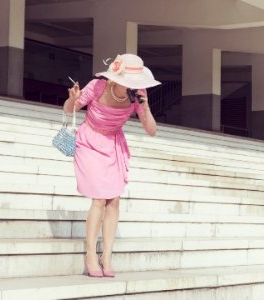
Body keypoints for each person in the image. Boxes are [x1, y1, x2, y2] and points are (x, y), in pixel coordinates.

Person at [62, 53, 160, 277]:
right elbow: (70, 110)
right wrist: (72, 98)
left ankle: (106, 255)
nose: (132, 87)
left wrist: (145, 109)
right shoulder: (97, 87)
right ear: (116, 78)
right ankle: (89, 253)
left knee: (114, 200)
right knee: (99, 198)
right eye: (129, 83)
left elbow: (152, 130)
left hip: (114, 144)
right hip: (90, 141)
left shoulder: (138, 95)